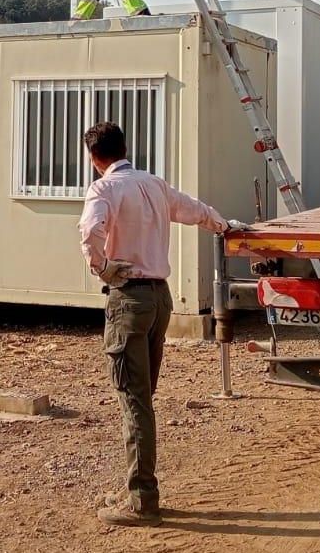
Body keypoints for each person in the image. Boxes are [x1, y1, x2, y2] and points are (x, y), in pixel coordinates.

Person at [76, 122, 229, 527]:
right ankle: (139, 487)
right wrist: (225, 226)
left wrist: (105, 269)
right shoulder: (154, 184)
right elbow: (195, 210)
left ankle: (142, 498)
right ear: (125, 149)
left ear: (94, 159)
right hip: (160, 297)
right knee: (143, 397)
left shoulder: (104, 189)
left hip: (129, 299)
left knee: (134, 400)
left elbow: (90, 231)